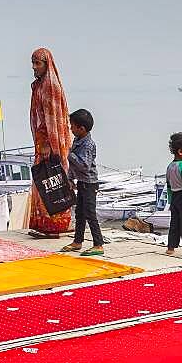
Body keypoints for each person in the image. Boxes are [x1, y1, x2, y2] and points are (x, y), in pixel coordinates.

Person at [28, 47, 73, 239]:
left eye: (37, 63)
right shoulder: (38, 86)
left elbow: (53, 120)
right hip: (41, 142)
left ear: (47, 65)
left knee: (53, 181)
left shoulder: (51, 87)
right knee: (42, 180)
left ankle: (56, 224)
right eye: (33, 63)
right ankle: (44, 223)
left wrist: (50, 145)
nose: (34, 67)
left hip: (51, 144)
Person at [58, 109, 103, 256]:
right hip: (81, 182)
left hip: (89, 183)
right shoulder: (77, 140)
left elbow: (84, 165)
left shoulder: (88, 144)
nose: (71, 129)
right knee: (80, 213)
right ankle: (78, 241)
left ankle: (98, 244)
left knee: (90, 213)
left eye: (72, 126)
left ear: (81, 128)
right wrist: (70, 178)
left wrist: (68, 154)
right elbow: (73, 166)